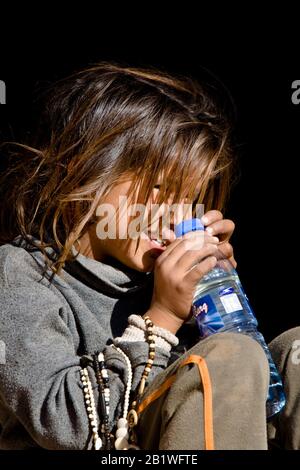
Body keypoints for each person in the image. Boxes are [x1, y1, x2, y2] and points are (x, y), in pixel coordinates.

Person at [0, 62, 298, 450]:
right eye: (159, 187)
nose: (176, 214)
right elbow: (68, 426)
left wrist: (213, 308)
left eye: (189, 197)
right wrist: (164, 317)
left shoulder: (154, 282)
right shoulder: (19, 274)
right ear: (85, 169)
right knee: (227, 357)